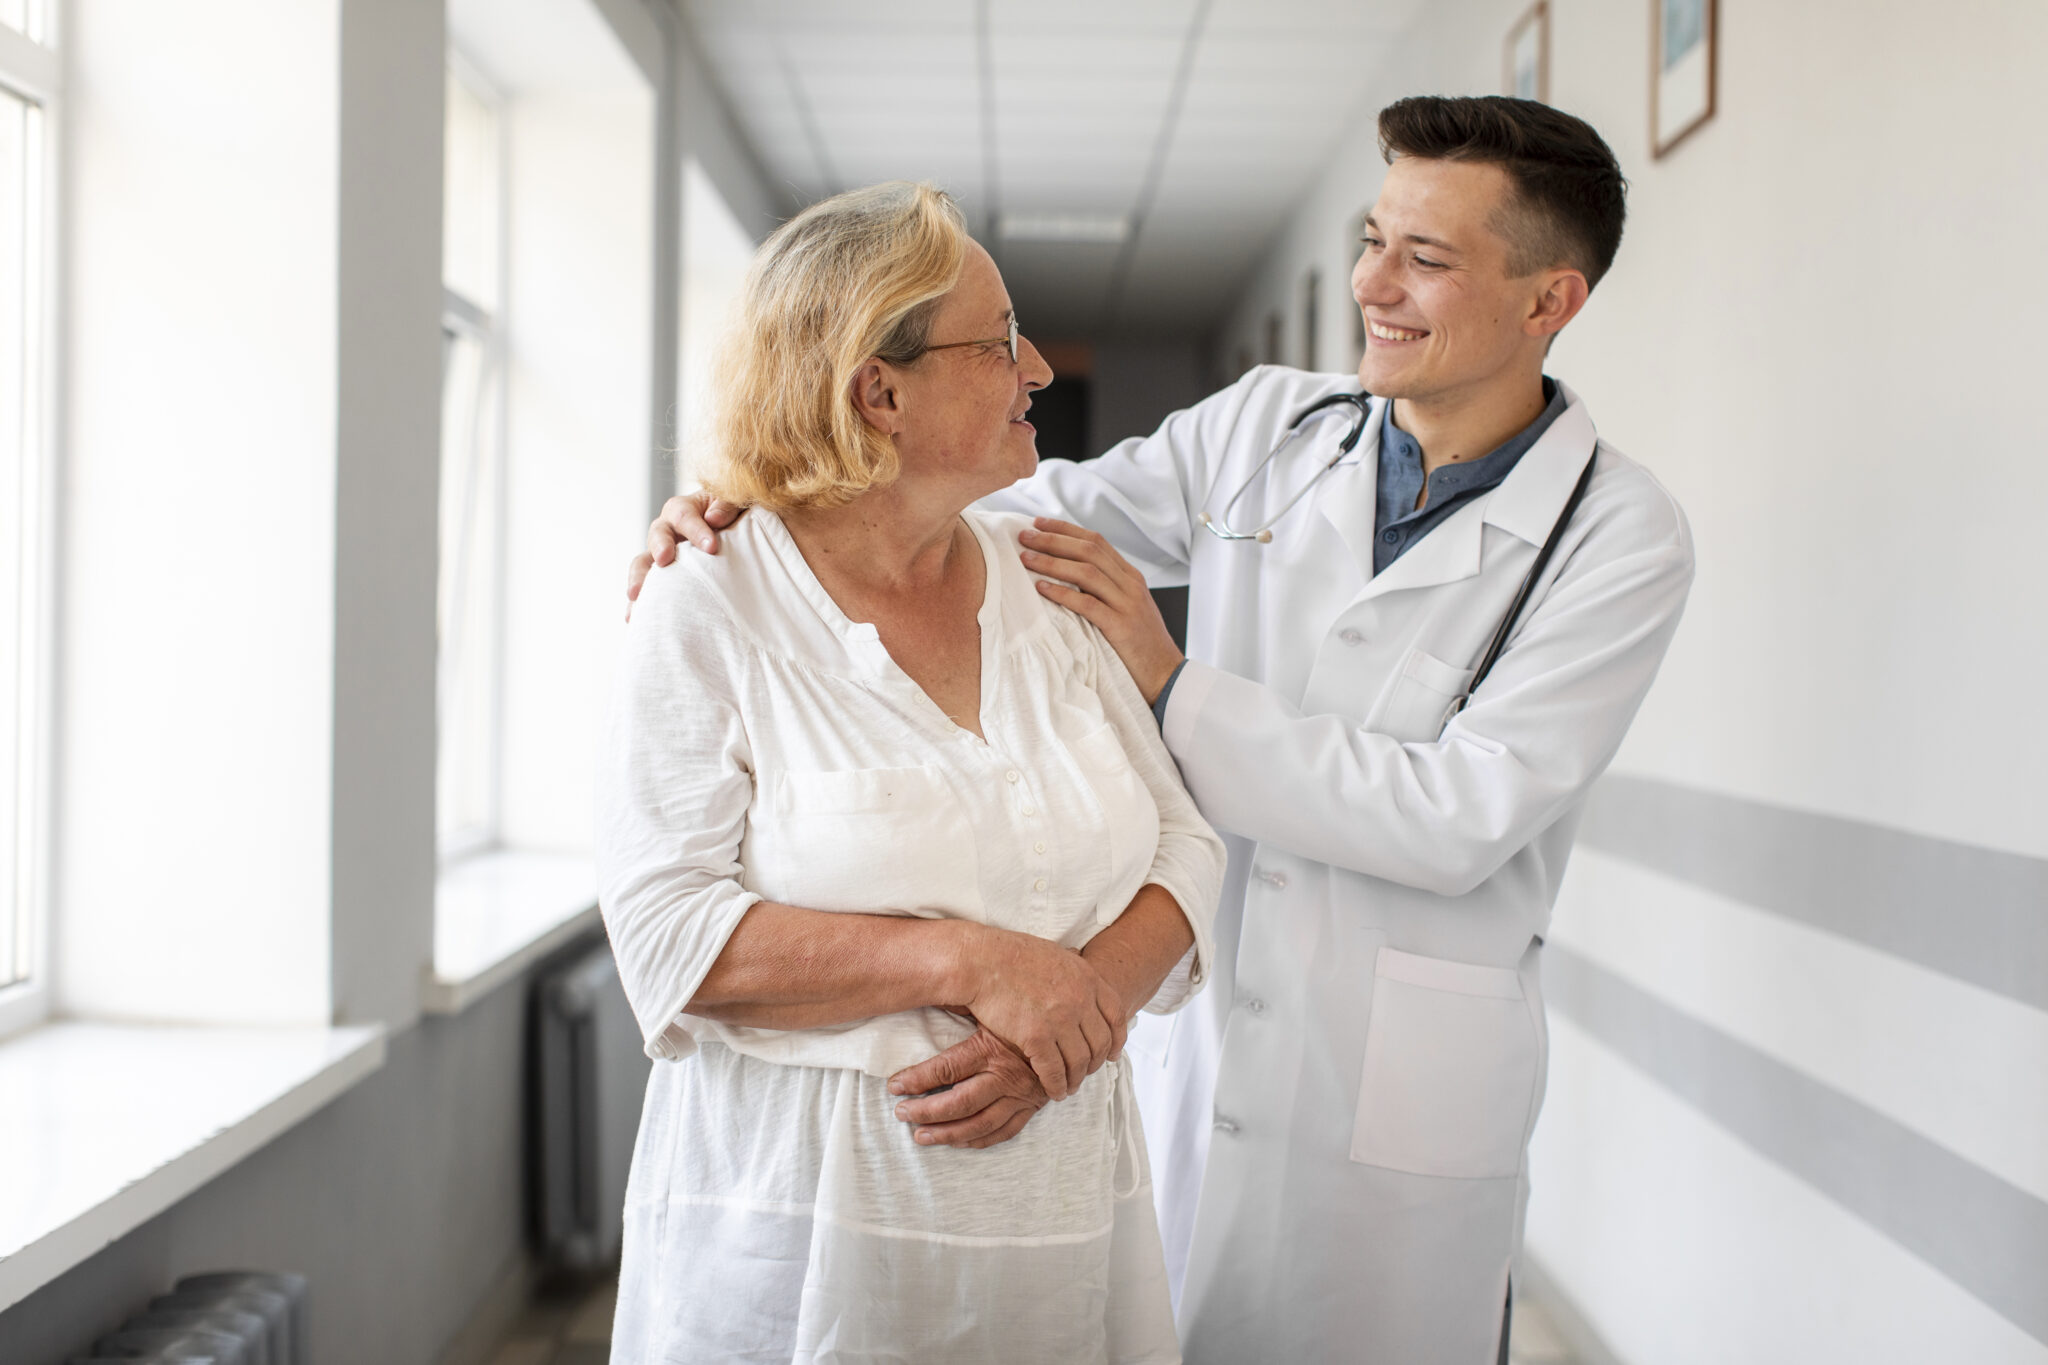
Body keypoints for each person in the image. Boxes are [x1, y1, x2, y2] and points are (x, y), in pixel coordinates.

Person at [636, 97, 1695, 1364]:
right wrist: (756, 509)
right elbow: (989, 511)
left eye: (1425, 259)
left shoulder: (1613, 536)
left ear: (1547, 301)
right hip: (1197, 1039)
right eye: (1371, 240)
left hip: (1398, 1086)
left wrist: (1168, 679)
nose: (1372, 285)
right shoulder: (1266, 428)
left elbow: (1456, 818)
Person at [598, 180, 1225, 1363]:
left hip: (1056, 1231)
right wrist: (972, 964)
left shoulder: (1045, 579)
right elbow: (667, 934)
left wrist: (1071, 1016)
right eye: (997, 342)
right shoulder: (708, 599)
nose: (1035, 367)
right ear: (876, 392)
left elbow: (1185, 846)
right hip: (807, 1242)